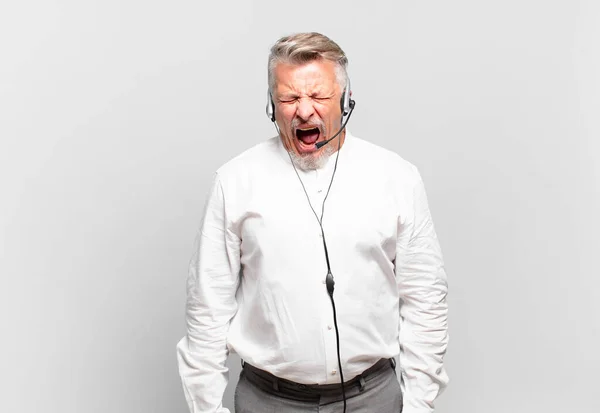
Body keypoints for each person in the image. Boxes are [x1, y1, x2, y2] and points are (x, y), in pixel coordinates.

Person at [176, 32, 449, 413]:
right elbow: (207, 307)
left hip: (374, 398)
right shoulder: (235, 181)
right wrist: (207, 409)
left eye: (318, 96)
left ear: (345, 99)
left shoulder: (397, 178)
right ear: (272, 106)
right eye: (289, 98)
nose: (304, 111)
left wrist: (419, 405)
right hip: (267, 401)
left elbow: (425, 300)